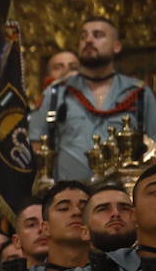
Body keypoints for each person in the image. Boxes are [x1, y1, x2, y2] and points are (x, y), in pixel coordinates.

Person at [31, 18, 156, 181]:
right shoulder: (56, 92)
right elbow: (36, 143)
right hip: (70, 195)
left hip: (123, 195)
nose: (88, 40)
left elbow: (154, 145)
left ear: (116, 46)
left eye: (98, 35)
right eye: (83, 37)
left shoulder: (138, 92)